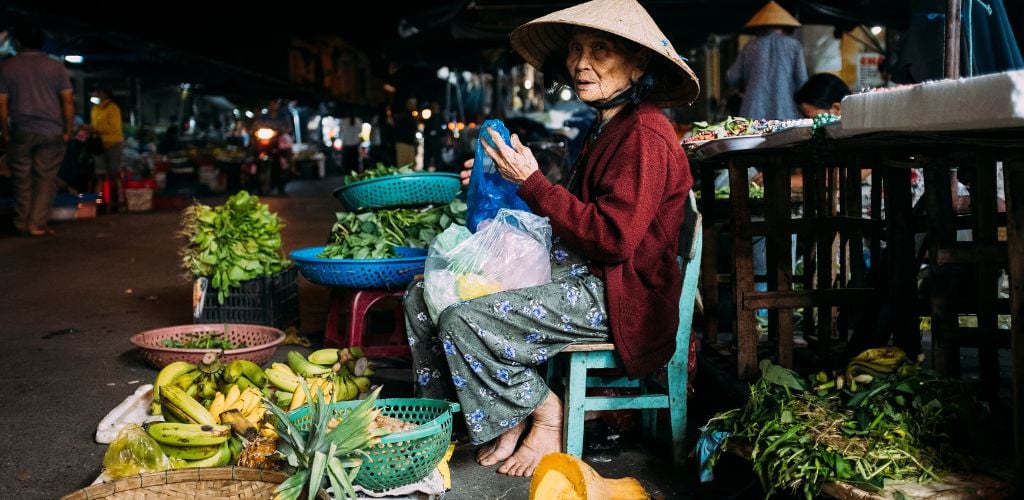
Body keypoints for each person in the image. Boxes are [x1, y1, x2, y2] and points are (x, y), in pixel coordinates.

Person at [402, 0, 698, 477]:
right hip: (581, 272)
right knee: (424, 294)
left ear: (638, 63)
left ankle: (544, 414)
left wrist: (533, 182)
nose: (582, 63)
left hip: (618, 293)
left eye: (601, 50)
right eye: (577, 49)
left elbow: (611, 240)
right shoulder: (607, 126)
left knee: (463, 318)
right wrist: (500, 181)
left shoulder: (644, 135)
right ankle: (450, 423)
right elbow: (565, 215)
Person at [0, 22, 74, 236]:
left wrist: (5, 131)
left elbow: (2, 104)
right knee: (45, 178)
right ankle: (36, 224)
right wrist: (67, 129)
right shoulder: (56, 67)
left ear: (19, 42)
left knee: (21, 178)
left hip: (21, 131)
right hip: (52, 131)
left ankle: (22, 222)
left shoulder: (7, 67)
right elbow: (68, 101)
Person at [726, 1, 807, 120]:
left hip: (753, 111)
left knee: (754, 138)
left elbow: (731, 77)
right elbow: (802, 81)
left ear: (761, 26)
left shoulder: (751, 46)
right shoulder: (794, 46)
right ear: (785, 26)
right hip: (784, 110)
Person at [89, 86, 125, 212]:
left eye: (96, 92)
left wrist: (95, 129)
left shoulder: (113, 108)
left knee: (113, 174)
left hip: (113, 144)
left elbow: (114, 127)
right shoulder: (95, 109)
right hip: (99, 145)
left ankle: (117, 202)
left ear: (103, 93)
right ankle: (98, 203)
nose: (94, 94)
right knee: (99, 175)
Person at [393, 97, 418, 168]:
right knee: (402, 167)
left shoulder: (412, 116)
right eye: (412, 103)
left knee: (410, 166)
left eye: (415, 104)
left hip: (410, 144)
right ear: (407, 104)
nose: (413, 106)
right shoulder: (402, 115)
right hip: (402, 143)